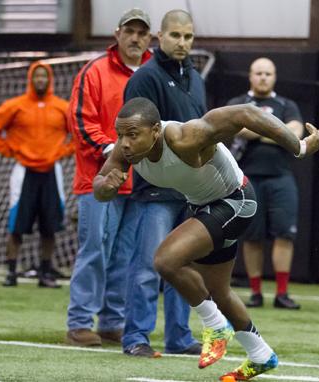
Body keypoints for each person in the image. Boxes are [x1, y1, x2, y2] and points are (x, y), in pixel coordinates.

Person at [94, 97, 319, 379]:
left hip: (236, 201)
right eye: (120, 135)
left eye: (132, 134)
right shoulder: (125, 152)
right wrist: (107, 186)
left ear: (155, 131)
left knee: (165, 260)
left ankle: (215, 326)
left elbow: (247, 113)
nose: (124, 143)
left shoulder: (185, 136)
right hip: (207, 206)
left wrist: (299, 147)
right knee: (218, 291)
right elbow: (100, 187)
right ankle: (261, 354)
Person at [65, 8, 152, 346]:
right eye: (129, 31)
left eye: (142, 33)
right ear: (116, 34)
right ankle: (79, 322)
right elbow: (80, 123)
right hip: (97, 180)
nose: (135, 38)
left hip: (140, 183)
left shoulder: (152, 73)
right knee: (95, 251)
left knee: (124, 257)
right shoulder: (94, 72)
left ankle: (112, 321)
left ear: (150, 38)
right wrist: (116, 152)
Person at [121, 9, 205, 357]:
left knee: (182, 266)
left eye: (187, 37)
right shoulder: (144, 78)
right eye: (175, 36)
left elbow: (204, 131)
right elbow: (134, 134)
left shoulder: (197, 78)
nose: (182, 43)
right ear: (160, 37)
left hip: (191, 189)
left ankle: (179, 338)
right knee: (147, 266)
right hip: (155, 190)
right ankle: (136, 338)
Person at [0, 61, 74, 289]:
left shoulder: (62, 107)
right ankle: (11, 272)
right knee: (17, 224)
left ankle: (45, 272)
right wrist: (10, 150)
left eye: (44, 76)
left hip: (52, 171)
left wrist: (64, 151)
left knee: (50, 225)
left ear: (50, 79)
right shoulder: (16, 106)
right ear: (31, 79)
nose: (41, 80)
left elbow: (80, 132)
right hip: (24, 172)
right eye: (37, 76)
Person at [228, 57, 304, 309]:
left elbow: (295, 135)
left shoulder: (287, 104)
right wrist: (278, 132)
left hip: (281, 178)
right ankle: (256, 293)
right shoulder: (237, 103)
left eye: (267, 73)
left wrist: (255, 128)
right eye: (258, 73)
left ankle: (282, 294)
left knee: (285, 234)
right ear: (250, 75)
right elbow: (235, 128)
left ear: (275, 77)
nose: (263, 77)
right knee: (252, 236)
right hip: (247, 180)